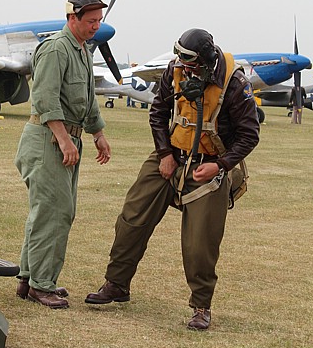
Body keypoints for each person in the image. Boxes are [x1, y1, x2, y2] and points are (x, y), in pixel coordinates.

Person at [85, 28, 259, 330]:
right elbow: (158, 112)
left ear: (206, 61)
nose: (184, 68)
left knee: (200, 242)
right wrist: (164, 154)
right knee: (131, 218)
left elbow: (249, 134)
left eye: (191, 64)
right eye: (181, 61)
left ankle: (201, 306)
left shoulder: (235, 84)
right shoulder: (174, 70)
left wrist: (220, 165)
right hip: (170, 157)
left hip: (208, 167)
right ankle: (116, 284)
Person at [15, 0, 112, 309]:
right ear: (72, 18)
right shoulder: (56, 49)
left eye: (99, 20)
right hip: (47, 139)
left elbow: (87, 95)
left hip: (66, 137)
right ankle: (41, 285)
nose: (96, 26)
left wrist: (98, 133)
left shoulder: (82, 49)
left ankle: (30, 279)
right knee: (54, 211)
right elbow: (44, 98)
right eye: (91, 20)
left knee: (52, 210)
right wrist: (63, 139)